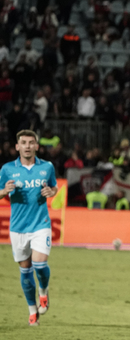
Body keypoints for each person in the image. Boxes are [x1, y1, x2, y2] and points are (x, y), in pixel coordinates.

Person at [0, 130, 58, 326]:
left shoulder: (47, 167)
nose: (27, 146)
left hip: (40, 224)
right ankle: (32, 310)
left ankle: (43, 291)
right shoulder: (7, 169)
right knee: (25, 271)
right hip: (18, 228)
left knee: (40, 265)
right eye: (23, 142)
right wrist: (4, 192)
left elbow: (54, 187)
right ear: (17, 146)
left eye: (30, 142)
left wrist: (51, 192)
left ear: (36, 146)